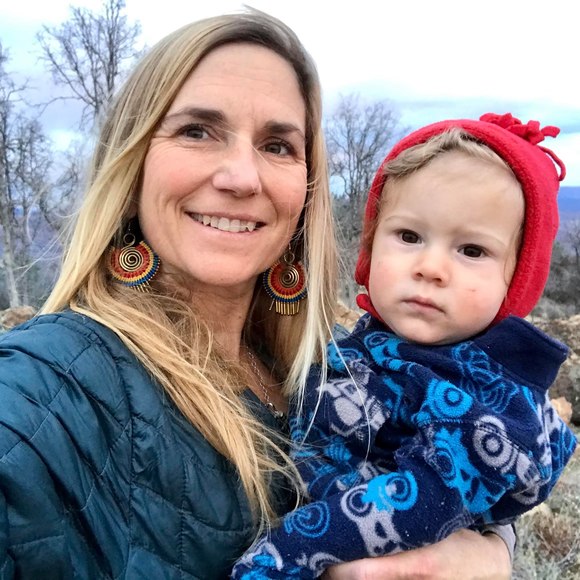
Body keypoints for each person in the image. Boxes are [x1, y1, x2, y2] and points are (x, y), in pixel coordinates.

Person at [0, 9, 514, 579]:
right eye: (197, 131)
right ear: (133, 161)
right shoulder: (47, 386)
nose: (243, 178)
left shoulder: (335, 367)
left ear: (306, 189)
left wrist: (492, 549)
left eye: (277, 145)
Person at [232, 113, 578, 578]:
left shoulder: (486, 402)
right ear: (372, 246)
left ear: (515, 280)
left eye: (472, 250)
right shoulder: (382, 344)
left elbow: (418, 505)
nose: (430, 267)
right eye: (409, 236)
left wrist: (280, 557)